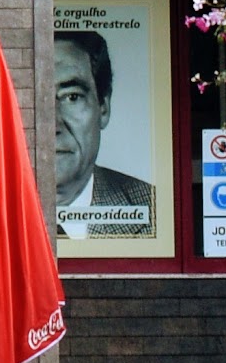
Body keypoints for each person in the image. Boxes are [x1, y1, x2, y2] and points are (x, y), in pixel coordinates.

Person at [48, 28, 159, 227]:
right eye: (34, 98)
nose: (53, 125)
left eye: (72, 97)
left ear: (104, 108)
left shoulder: (152, 208)